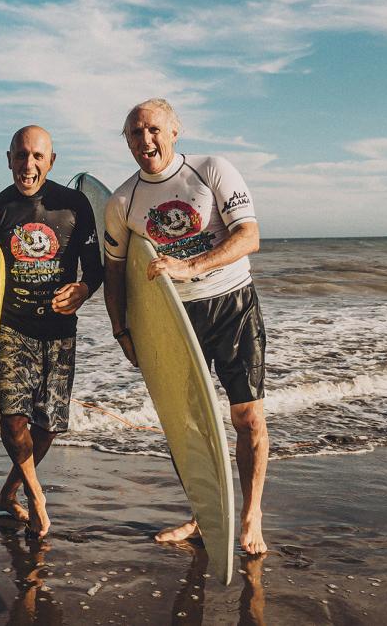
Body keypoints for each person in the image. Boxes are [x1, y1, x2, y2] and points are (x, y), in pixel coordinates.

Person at [101, 97, 269, 555]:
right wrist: (123, 331)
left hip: (232, 304)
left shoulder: (212, 169)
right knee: (187, 426)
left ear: (175, 131)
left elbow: (248, 236)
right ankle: (203, 515)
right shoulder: (121, 201)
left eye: (154, 129)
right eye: (135, 133)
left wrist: (190, 266)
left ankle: (251, 515)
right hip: (175, 320)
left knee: (247, 417)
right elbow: (115, 272)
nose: (145, 140)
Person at [0, 125, 102, 538]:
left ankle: (8, 492)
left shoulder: (74, 207)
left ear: (51, 161)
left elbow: (96, 264)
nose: (28, 164)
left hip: (58, 328)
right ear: (9, 159)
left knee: (48, 423)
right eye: (21, 155)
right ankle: (35, 493)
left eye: (37, 156)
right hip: (11, 327)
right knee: (13, 420)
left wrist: (85, 289)